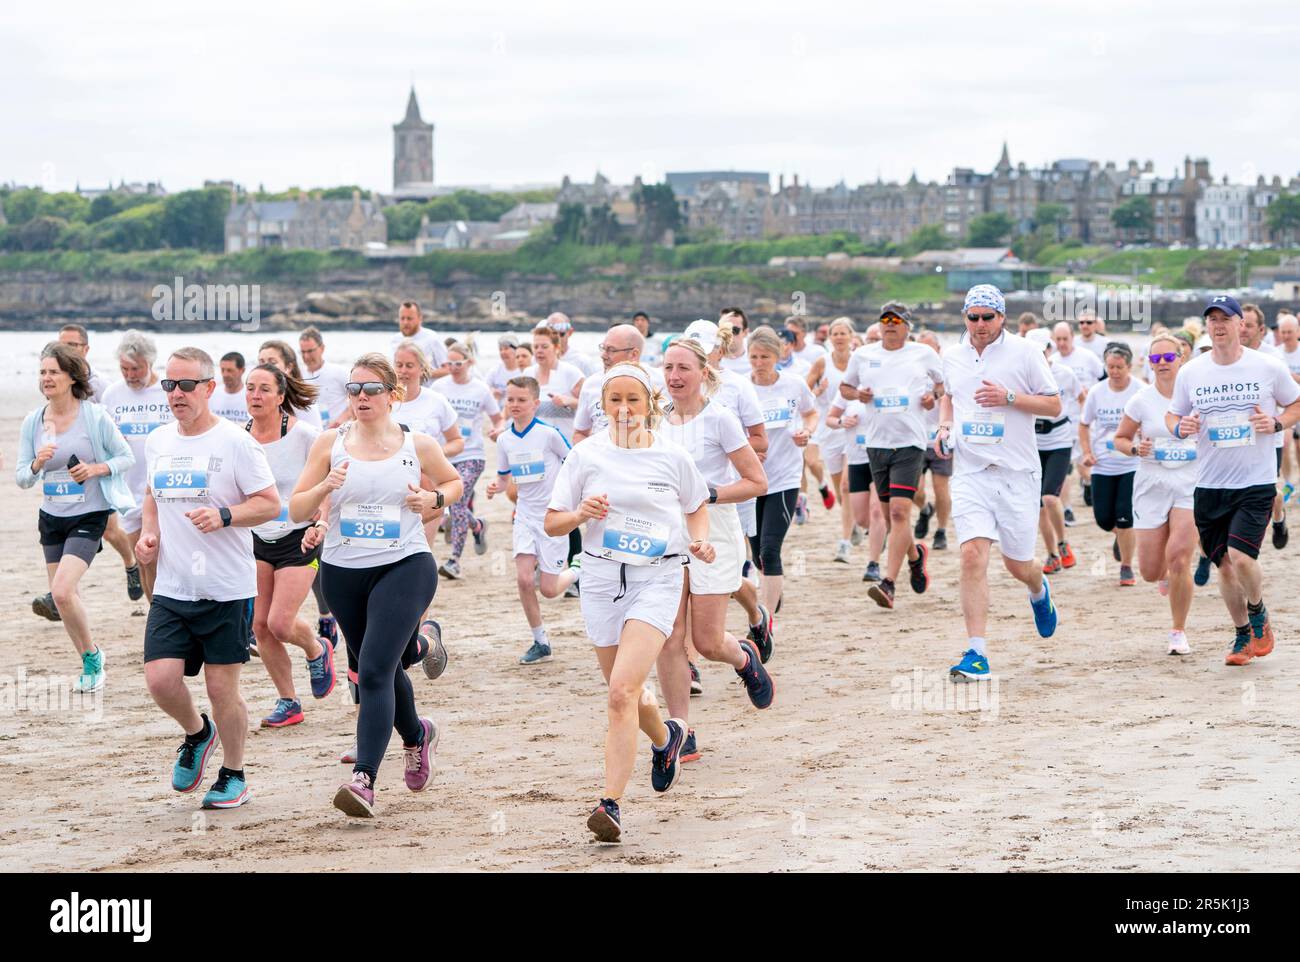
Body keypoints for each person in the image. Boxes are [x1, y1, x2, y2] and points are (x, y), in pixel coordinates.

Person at [544, 362, 714, 843]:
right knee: (632, 693)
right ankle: (666, 739)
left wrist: (699, 541)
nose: (623, 409)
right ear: (603, 405)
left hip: (658, 578)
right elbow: (553, 523)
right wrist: (581, 513)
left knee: (619, 692)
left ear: (650, 404)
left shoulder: (672, 455)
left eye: (632, 400)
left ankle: (610, 804)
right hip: (599, 578)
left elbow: (696, 506)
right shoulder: (584, 455)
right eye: (614, 400)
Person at [291, 353, 463, 817]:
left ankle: (364, 779)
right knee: (388, 665)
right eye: (354, 389)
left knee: (370, 670)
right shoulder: (331, 443)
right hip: (343, 572)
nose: (361, 398)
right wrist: (325, 487)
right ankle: (417, 729)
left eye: (370, 389)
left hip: (405, 564)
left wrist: (432, 498)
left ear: (393, 394)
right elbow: (295, 507)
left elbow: (454, 483)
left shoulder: (417, 443)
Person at [135, 347, 281, 810]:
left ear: (209, 388)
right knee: (160, 680)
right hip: (174, 587)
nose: (176, 394)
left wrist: (225, 515)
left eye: (186, 385)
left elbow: (269, 503)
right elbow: (151, 494)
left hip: (226, 588)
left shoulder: (236, 443)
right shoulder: (157, 440)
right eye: (169, 386)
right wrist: (150, 536)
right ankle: (199, 734)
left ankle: (234, 774)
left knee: (222, 689)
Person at [933, 285, 1061, 681]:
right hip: (971, 472)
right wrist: (945, 424)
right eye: (973, 317)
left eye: (988, 317)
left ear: (1002, 317)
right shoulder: (952, 355)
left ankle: (1038, 589)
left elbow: (1054, 405)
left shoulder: (1025, 352)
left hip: (1018, 472)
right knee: (972, 556)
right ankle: (977, 653)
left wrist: (1009, 397)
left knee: (1017, 564)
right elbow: (949, 395)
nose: (981, 325)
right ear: (964, 317)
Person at [1166, 295, 1300, 666]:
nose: (1218, 324)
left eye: (1225, 318)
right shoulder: (1192, 371)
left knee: (1242, 558)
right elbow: (1173, 416)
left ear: (1241, 324)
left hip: (1254, 482)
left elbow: (1296, 404)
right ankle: (1242, 635)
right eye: (1212, 319)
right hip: (1209, 484)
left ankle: (1258, 612)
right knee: (1223, 564)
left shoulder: (1268, 367)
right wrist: (1181, 427)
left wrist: (1275, 423)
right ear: (1206, 326)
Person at [656, 337, 773, 763]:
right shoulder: (653, 421)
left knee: (705, 642)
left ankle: (744, 658)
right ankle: (680, 730)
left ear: (704, 372)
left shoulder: (720, 419)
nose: (674, 377)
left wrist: (711, 493)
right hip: (665, 534)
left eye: (684, 368)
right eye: (668, 367)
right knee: (669, 634)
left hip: (713, 531)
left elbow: (756, 482)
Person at [17, 342, 134, 691]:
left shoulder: (94, 416)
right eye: (42, 373)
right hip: (52, 516)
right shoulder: (33, 421)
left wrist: (95, 468)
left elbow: (125, 457)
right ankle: (89, 657)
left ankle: (93, 658)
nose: (47, 378)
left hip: (90, 513)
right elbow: (23, 477)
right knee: (67, 597)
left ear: (71, 377)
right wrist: (38, 462)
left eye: (53, 372)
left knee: (62, 592)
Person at [244, 363, 337, 727]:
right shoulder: (240, 438)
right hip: (257, 538)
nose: (255, 395)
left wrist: (322, 521)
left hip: (300, 536)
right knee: (260, 626)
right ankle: (289, 701)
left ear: (281, 396)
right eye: (250, 388)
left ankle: (317, 648)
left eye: (264, 389)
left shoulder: (306, 437)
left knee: (281, 623)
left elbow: (328, 482)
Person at [837, 303, 942, 608]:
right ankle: (915, 556)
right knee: (888, 518)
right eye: (885, 320)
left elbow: (943, 384)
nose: (890, 325)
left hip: (910, 443)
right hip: (876, 443)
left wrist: (931, 397)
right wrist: (858, 395)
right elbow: (845, 388)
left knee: (898, 513)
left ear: (907, 326)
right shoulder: (864, 355)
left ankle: (889, 583)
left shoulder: (923, 353)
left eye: (896, 320)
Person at [683, 319, 774, 664]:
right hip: (683, 511)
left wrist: (727, 449)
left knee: (730, 580)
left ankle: (756, 614)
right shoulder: (672, 393)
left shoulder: (736, 387)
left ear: (717, 352)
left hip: (728, 496)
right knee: (688, 583)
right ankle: (689, 665)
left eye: (699, 352)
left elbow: (759, 441)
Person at [1113, 334, 1197, 655]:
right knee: (1149, 570)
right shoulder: (1141, 400)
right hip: (1151, 484)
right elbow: (1120, 438)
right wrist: (1136, 448)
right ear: (1149, 363)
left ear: (1181, 359)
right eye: (1155, 359)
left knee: (1179, 558)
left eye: (1168, 358)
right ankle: (1163, 575)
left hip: (1189, 483)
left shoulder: (1196, 396)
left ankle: (1178, 631)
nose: (1162, 364)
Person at [489, 376, 580, 663]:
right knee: (524, 580)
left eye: (521, 400)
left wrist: (571, 499)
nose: (514, 405)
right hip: (525, 516)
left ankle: (578, 568)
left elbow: (574, 463)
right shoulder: (504, 439)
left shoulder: (549, 434)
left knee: (550, 590)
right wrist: (496, 487)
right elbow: (504, 478)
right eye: (510, 399)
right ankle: (540, 641)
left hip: (553, 517)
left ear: (535, 404)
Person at [747, 326, 817, 615]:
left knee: (769, 549)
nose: (759, 363)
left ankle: (765, 621)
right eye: (753, 357)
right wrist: (749, 450)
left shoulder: (794, 384)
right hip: (750, 479)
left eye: (765, 356)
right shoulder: (741, 387)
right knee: (756, 554)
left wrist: (806, 432)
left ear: (777, 356)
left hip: (785, 478)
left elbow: (811, 413)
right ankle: (773, 591)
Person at [99, 331, 170, 603]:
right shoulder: (113, 395)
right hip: (129, 492)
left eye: (136, 368)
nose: (130, 375)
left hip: (163, 490)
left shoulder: (167, 390)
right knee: (145, 561)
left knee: (170, 558)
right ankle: (158, 619)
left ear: (150, 363)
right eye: (124, 368)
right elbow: (105, 442)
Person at [433, 341, 504, 579]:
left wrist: (498, 431)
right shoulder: (439, 387)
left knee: (457, 500)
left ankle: (454, 560)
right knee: (453, 505)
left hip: (472, 454)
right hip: (444, 454)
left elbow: (497, 418)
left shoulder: (480, 389)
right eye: (448, 363)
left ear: (470, 363)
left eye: (458, 363)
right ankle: (477, 525)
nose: (453, 368)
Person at [1079, 343, 1142, 585]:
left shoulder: (1140, 390)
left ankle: (1126, 567)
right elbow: (1084, 424)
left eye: (1119, 367)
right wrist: (1086, 452)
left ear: (1129, 366)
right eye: (1110, 367)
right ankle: (1122, 536)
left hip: (1131, 463)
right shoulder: (1097, 392)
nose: (1114, 371)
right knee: (1104, 519)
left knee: (1125, 516)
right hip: (1102, 464)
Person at [1025, 329, 1080, 575]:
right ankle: (1052, 554)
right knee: (1037, 505)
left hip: (1059, 440)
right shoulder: (1022, 375)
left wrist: (1079, 428)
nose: (1040, 355)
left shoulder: (1064, 374)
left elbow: (1083, 397)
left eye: (1043, 350)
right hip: (1032, 443)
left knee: (1049, 497)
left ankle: (1063, 542)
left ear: (1050, 349)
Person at [1241, 305, 1289, 549]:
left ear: (1261, 330)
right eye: (1240, 323)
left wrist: (1271, 419)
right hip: (1235, 439)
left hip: (1269, 439)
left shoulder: (1273, 358)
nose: (1242, 330)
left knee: (1269, 493)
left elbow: (1286, 400)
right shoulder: (1224, 355)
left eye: (1248, 325)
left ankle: (1278, 518)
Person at [808, 317, 856, 562]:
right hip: (829, 430)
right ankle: (854, 522)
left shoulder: (860, 360)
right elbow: (803, 393)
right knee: (839, 489)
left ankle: (845, 542)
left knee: (848, 486)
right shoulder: (822, 362)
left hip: (854, 429)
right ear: (830, 338)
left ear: (851, 336)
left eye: (842, 333)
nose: (838, 337)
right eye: (834, 334)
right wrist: (816, 392)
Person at [1051, 321, 1104, 517]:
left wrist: (1094, 395)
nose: (1062, 343)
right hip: (1060, 423)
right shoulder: (1052, 362)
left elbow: (1104, 378)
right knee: (1065, 469)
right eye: (1058, 339)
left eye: (1065, 339)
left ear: (1073, 338)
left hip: (1084, 419)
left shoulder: (1087, 357)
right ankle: (1067, 509)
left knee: (1083, 465)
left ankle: (1088, 482)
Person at [912, 330, 952, 551]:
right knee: (915, 490)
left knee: (941, 489)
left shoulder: (947, 370)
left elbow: (949, 393)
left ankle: (942, 530)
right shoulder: (911, 371)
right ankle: (926, 509)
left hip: (940, 437)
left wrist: (934, 397)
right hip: (916, 439)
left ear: (938, 350)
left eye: (930, 348)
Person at [391, 341, 465, 457]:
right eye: (399, 365)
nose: (403, 370)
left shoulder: (436, 401)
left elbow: (457, 441)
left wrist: (435, 454)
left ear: (422, 369)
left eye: (409, 366)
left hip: (427, 472)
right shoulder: (382, 401)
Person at [525, 326, 586, 443]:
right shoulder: (528, 374)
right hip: (536, 445)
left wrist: (570, 401)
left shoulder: (571, 373)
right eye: (536, 347)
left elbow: (591, 405)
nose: (539, 351)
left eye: (544, 346)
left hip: (565, 445)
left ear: (556, 348)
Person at [258, 340, 323, 427]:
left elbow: (317, 438)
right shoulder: (255, 398)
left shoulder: (303, 403)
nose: (265, 367)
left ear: (289, 367)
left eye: (272, 362)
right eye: (261, 362)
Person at [298, 327, 351, 429]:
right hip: (311, 434)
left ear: (322, 348)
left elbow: (357, 398)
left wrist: (341, 419)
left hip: (338, 433)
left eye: (310, 351)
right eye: (303, 352)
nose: (306, 356)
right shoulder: (298, 376)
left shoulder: (340, 372)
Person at [391, 300, 448, 380]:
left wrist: (419, 374)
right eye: (402, 318)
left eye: (409, 318)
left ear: (420, 318)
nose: (405, 322)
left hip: (428, 390)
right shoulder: (395, 339)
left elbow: (448, 369)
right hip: (404, 391)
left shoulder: (432, 338)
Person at [57, 324, 108, 403]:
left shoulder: (100, 384)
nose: (65, 350)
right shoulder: (54, 380)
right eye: (61, 346)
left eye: (72, 345)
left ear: (86, 349)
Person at [546, 312, 601, 377]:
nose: (556, 337)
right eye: (551, 333)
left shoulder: (583, 361)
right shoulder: (539, 359)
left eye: (561, 333)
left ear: (570, 332)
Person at [213, 353, 249, 423]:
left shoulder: (252, 395)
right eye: (222, 370)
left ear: (242, 370)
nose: (225, 374)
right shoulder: (211, 394)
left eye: (230, 370)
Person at [485, 334, 521, 401]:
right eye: (500, 349)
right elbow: (484, 387)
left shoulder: (523, 370)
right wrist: (492, 391)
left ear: (516, 349)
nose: (503, 352)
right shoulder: (495, 370)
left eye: (506, 348)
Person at [718, 306, 752, 376]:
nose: (729, 334)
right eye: (725, 329)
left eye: (734, 330)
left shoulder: (757, 359)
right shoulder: (709, 360)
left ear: (745, 333)